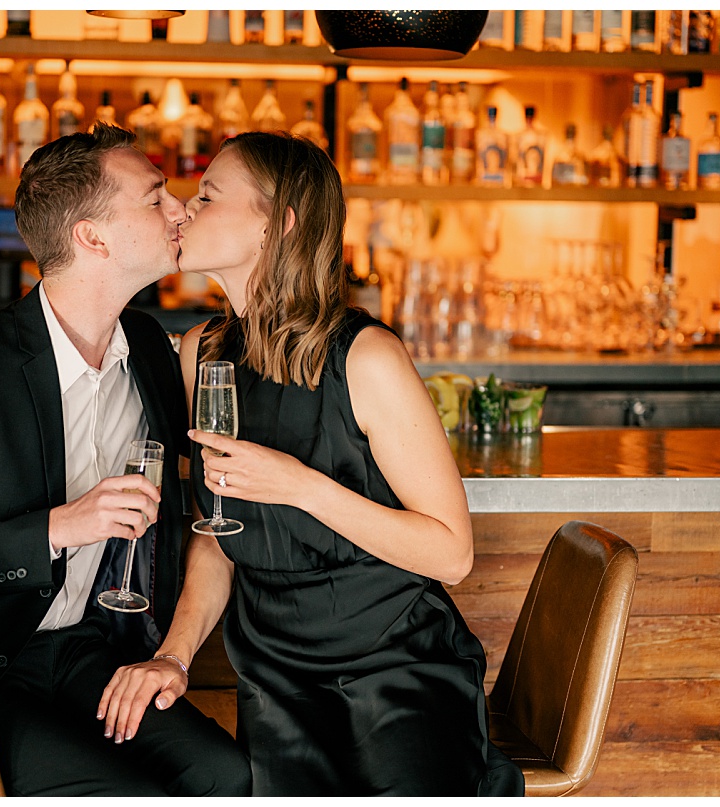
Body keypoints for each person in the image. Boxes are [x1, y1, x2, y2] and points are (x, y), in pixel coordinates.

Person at [98, 131, 525, 796]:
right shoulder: (200, 355)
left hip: (395, 676)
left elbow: (451, 553)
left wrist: (299, 485)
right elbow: (218, 538)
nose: (183, 209)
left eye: (208, 196)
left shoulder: (367, 357)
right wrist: (173, 657)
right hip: (275, 682)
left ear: (279, 222)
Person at [0, 123, 250, 797]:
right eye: (155, 195)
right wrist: (58, 527)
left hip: (94, 653)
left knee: (225, 773)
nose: (178, 210)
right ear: (91, 236)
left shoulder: (152, 349)